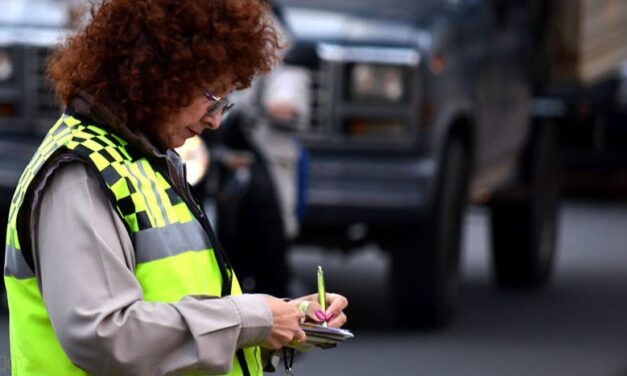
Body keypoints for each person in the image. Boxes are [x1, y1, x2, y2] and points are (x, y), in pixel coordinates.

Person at [2, 1, 348, 375]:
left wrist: (278, 321)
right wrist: (251, 319)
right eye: (211, 96)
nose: (216, 120)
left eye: (226, 102)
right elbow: (104, 337)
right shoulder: (80, 174)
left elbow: (179, 318)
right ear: (157, 76)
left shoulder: (143, 160)